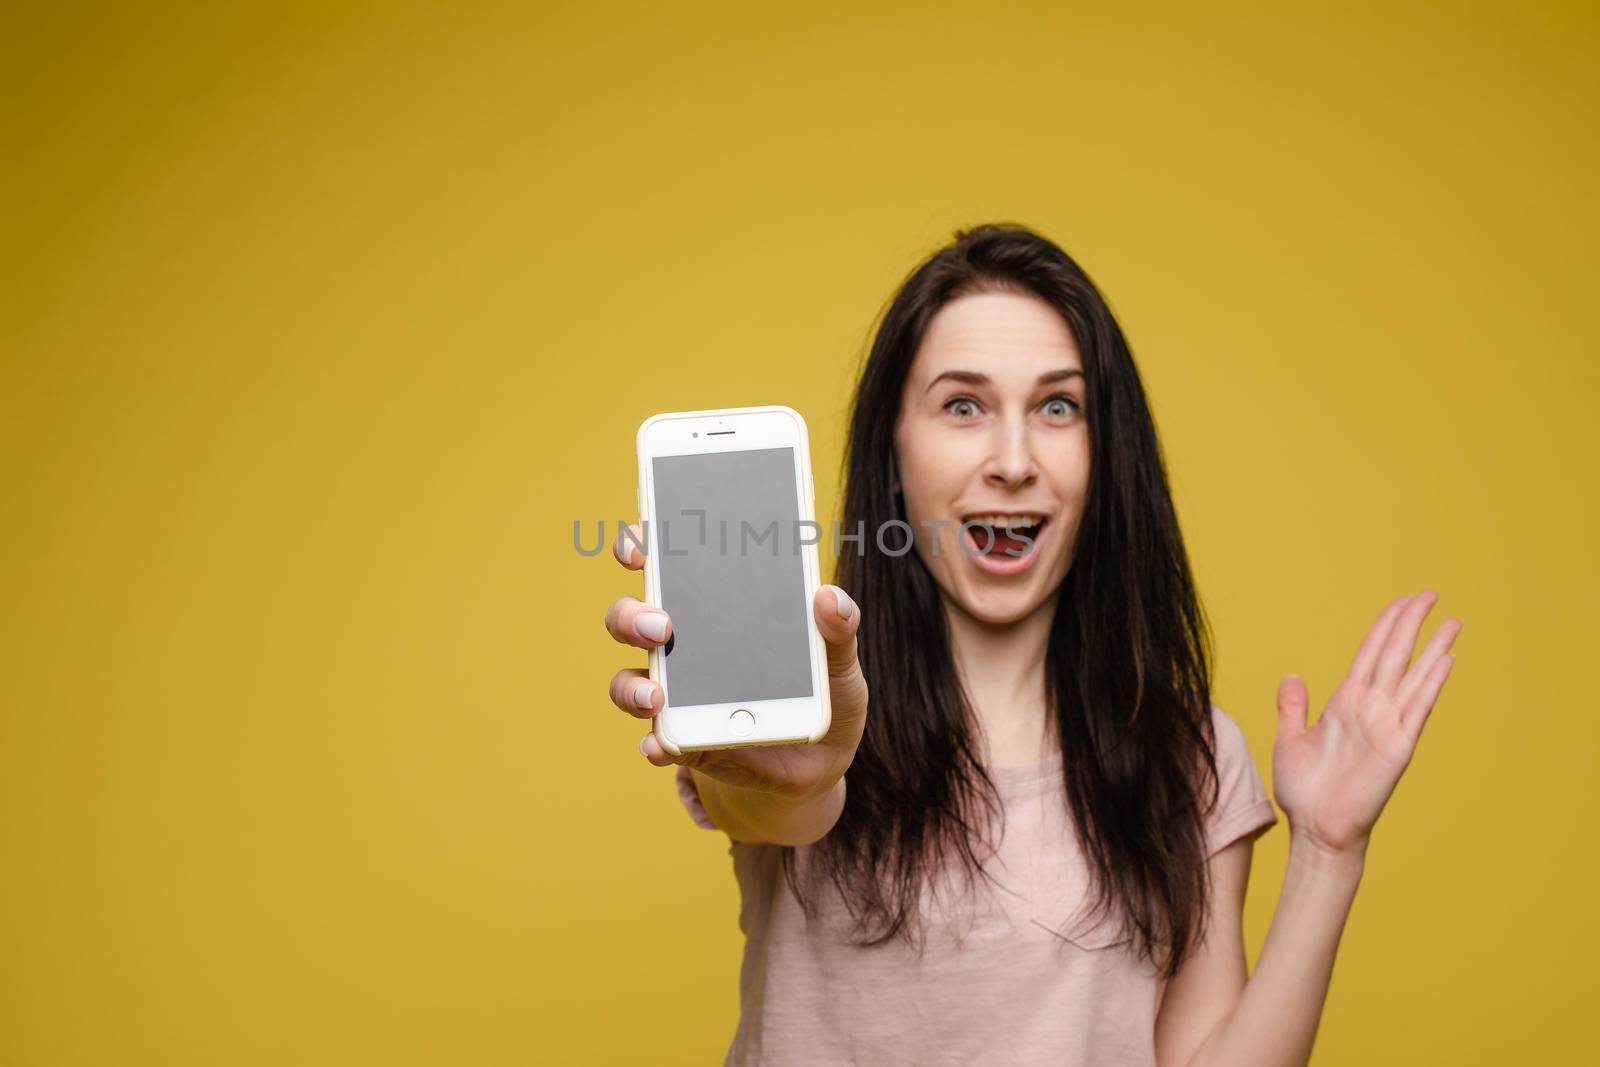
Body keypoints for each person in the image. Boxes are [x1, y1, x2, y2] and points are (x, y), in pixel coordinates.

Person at [602, 223, 1461, 1066]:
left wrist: (1328, 849)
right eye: (963, 405)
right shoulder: (798, 709)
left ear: (1104, 452)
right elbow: (783, 797)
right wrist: (802, 764)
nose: (1013, 459)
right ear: (894, 449)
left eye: (1058, 406)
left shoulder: (1191, 757)